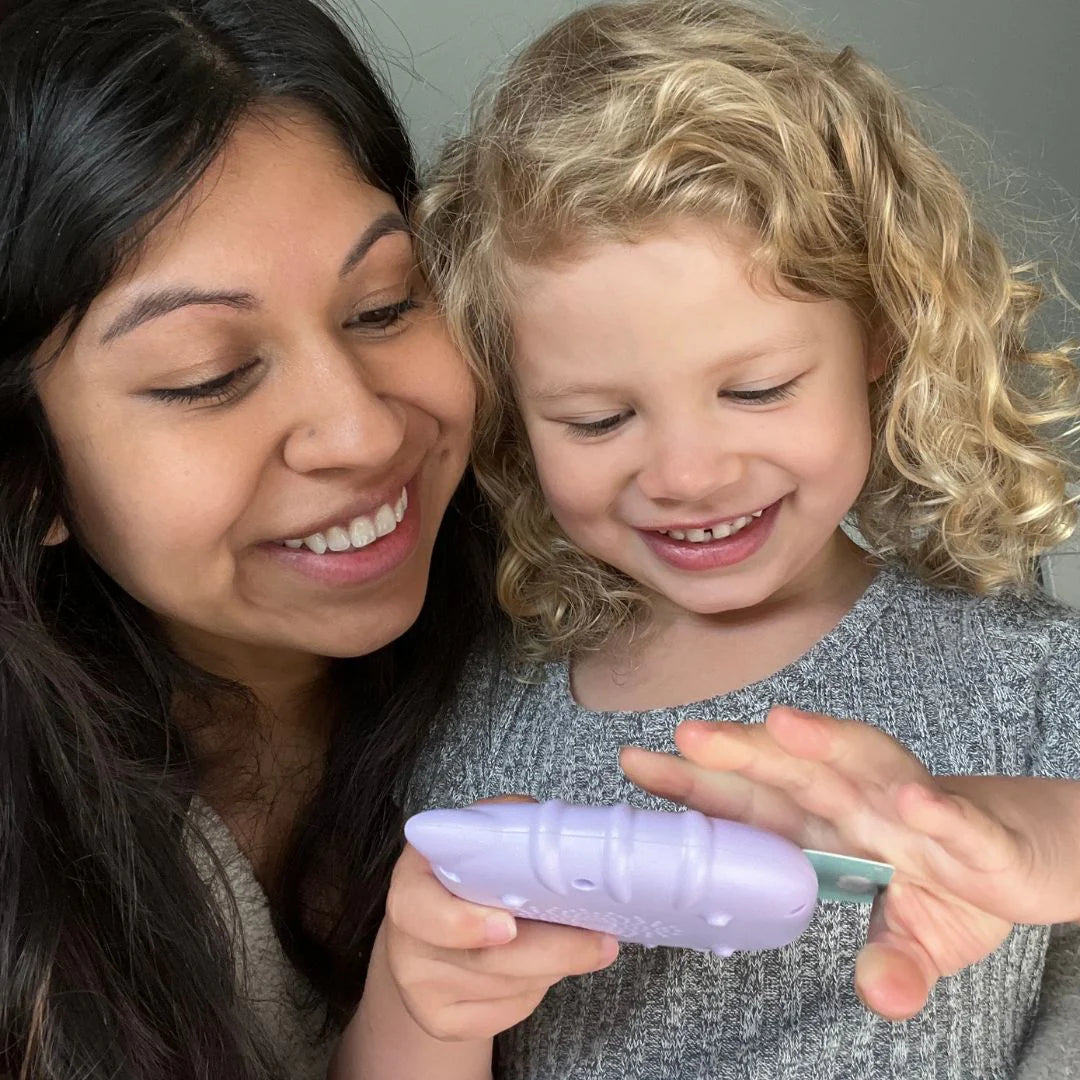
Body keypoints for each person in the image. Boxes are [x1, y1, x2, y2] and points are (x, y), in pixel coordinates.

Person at [362, 2, 1080, 1078]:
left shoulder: (1015, 670)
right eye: (599, 419)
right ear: (513, 411)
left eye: (756, 389)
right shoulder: (484, 724)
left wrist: (1008, 833)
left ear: (881, 333)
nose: (687, 475)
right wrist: (423, 1000)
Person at [0, 0, 578, 1075]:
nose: (363, 432)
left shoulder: (582, 613)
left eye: (384, 306)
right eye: (208, 375)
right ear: (27, 474)